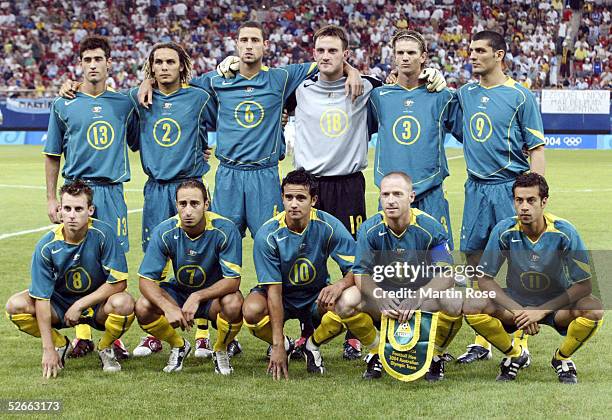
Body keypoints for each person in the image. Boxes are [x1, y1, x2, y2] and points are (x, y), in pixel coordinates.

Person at [285, 25, 447, 360]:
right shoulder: (296, 87)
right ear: (313, 54)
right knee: (303, 259)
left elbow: (401, 87)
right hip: (308, 183)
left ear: (346, 55)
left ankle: (356, 335)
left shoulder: (368, 87)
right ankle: (306, 330)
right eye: (320, 50)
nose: (326, 56)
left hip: (348, 183)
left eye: (334, 51)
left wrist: (358, 72)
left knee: (356, 259)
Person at [139, 21, 363, 240]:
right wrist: (148, 81)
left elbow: (327, 62)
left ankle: (271, 279)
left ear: (265, 45)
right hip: (229, 175)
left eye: (254, 40)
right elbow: (176, 86)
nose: (248, 45)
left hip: (264, 175)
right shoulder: (216, 80)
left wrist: (352, 71)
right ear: (235, 44)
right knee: (220, 240)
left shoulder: (281, 77)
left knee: (274, 240)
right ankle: (224, 279)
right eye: (244, 40)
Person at [455, 30, 546, 364]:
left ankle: (520, 332)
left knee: (516, 263)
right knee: (476, 261)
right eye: (471, 50)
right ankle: (484, 336)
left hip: (509, 187)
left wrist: (534, 197)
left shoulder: (520, 96)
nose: (473, 56)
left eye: (480, 50)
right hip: (475, 188)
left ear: (500, 55)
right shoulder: (465, 93)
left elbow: (536, 149)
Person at [44, 35, 137, 358]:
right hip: (77, 190)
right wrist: (50, 198)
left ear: (109, 63)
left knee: (111, 264)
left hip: (112, 192)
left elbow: (144, 138)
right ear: (80, 64)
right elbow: (52, 153)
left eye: (99, 59)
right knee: (74, 260)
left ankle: (111, 337)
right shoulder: (64, 103)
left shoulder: (126, 103)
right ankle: (82, 333)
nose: (93, 65)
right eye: (87, 60)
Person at [462, 173, 603, 383]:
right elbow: (485, 279)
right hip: (516, 304)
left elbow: (584, 286)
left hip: (555, 306)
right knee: (471, 304)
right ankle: (514, 355)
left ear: (544, 202)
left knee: (594, 308)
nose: (524, 207)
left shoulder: (565, 232)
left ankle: (562, 359)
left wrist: (540, 311)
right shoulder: (504, 230)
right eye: (519, 200)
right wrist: (518, 310)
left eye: (531, 200)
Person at [243, 169, 380, 380]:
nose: (294, 204)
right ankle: (287, 344)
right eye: (288, 197)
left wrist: (339, 285)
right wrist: (278, 343)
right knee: (251, 310)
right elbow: (273, 292)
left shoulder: (328, 225)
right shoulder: (268, 234)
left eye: (301, 198)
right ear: (282, 198)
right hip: (281, 296)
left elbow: (358, 266)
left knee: (347, 300)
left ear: (313, 200)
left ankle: (312, 345)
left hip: (314, 297)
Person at [6, 180, 135, 377]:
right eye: (67, 208)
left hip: (96, 306)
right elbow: (41, 298)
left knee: (124, 303)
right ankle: (60, 345)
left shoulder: (103, 234)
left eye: (78, 208)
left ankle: (105, 347)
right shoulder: (46, 246)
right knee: (14, 306)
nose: (72, 215)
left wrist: (80, 305)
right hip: (60, 307)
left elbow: (119, 282)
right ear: (60, 211)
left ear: (90, 210)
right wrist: (48, 348)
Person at [351, 172, 463, 381]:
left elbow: (447, 275)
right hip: (386, 300)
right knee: (346, 300)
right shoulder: (369, 229)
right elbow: (360, 273)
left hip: (421, 299)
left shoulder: (430, 227)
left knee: (455, 300)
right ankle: (377, 352)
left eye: (397, 194)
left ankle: (435, 355)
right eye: (385, 194)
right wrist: (379, 294)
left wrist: (419, 295)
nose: (391, 200)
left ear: (411, 197)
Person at [135, 180, 243, 375]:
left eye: (195, 203)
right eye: (182, 204)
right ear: (176, 205)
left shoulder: (225, 230)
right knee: (143, 306)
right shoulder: (164, 231)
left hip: (212, 297)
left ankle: (220, 349)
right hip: (179, 293)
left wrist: (197, 296)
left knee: (234, 303)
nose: (188, 211)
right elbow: (145, 280)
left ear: (206, 204)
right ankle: (179, 345)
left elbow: (233, 280)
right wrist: (168, 307)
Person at [370, 29, 461, 249]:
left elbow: (467, 134)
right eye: (400, 52)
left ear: (423, 57)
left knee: (440, 260)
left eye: (411, 52)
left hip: (430, 191)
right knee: (388, 264)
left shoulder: (443, 96)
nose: (405, 57)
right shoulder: (379, 96)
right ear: (393, 57)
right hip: (391, 194)